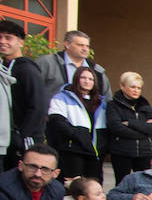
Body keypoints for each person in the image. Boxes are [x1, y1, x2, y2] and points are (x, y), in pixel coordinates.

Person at [0, 19, 45, 171]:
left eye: (8, 37)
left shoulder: (27, 69)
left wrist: (21, 136)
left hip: (23, 140)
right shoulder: (3, 68)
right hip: (6, 140)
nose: (3, 42)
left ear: (20, 42)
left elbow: (38, 106)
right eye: (0, 37)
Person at [45, 65, 105, 180]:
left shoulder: (101, 103)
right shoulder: (62, 97)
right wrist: (78, 136)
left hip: (94, 153)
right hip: (72, 150)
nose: (87, 81)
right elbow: (57, 121)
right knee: (71, 186)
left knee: (93, 188)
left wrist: (102, 147)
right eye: (83, 78)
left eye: (91, 79)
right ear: (76, 79)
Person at [36, 30, 111, 108]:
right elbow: (33, 90)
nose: (85, 49)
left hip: (86, 117)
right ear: (67, 44)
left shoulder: (97, 71)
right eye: (80, 45)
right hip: (52, 115)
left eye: (87, 46)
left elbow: (107, 99)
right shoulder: (48, 63)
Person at [106, 72, 152, 181]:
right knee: (123, 183)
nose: (136, 90)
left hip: (144, 152)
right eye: (132, 87)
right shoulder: (113, 105)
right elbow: (116, 127)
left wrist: (130, 123)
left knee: (144, 183)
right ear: (122, 86)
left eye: (139, 88)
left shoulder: (145, 105)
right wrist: (144, 131)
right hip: (122, 151)